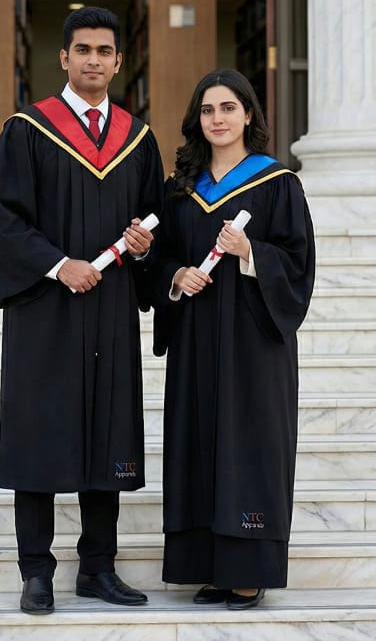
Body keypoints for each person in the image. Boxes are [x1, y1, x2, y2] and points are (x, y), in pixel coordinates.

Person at [0, 6, 164, 613]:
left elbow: (153, 221)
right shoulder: (28, 129)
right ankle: (35, 571)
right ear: (63, 57)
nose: (93, 60)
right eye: (82, 49)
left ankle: (98, 568)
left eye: (104, 50)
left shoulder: (137, 139)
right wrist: (60, 265)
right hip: (45, 308)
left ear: (119, 60)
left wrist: (143, 245)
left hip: (110, 305)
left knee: (107, 430)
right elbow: (3, 220)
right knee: (39, 433)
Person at [152, 68, 314, 609]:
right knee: (198, 441)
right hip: (197, 337)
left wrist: (251, 252)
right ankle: (209, 566)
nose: (217, 119)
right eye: (207, 110)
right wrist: (176, 275)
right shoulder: (181, 190)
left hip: (253, 342)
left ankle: (248, 570)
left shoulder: (277, 183)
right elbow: (160, 258)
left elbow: (299, 264)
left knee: (249, 444)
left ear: (248, 114)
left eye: (227, 108)